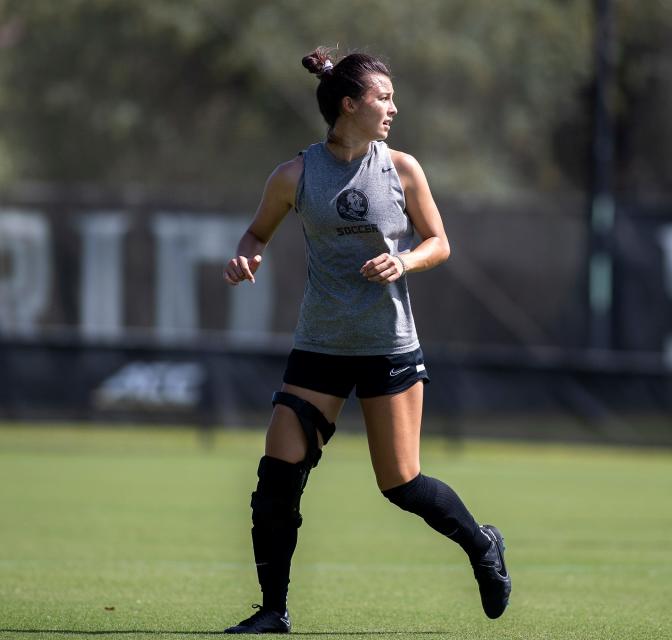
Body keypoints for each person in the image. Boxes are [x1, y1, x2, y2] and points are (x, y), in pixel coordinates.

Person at [221, 47, 510, 633]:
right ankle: (272, 612)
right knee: (277, 474)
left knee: (400, 483)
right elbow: (256, 233)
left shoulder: (402, 169)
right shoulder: (294, 175)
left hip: (388, 346)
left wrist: (403, 263)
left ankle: (482, 544)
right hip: (319, 346)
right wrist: (245, 258)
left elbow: (439, 242)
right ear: (349, 105)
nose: (392, 108)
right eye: (383, 98)